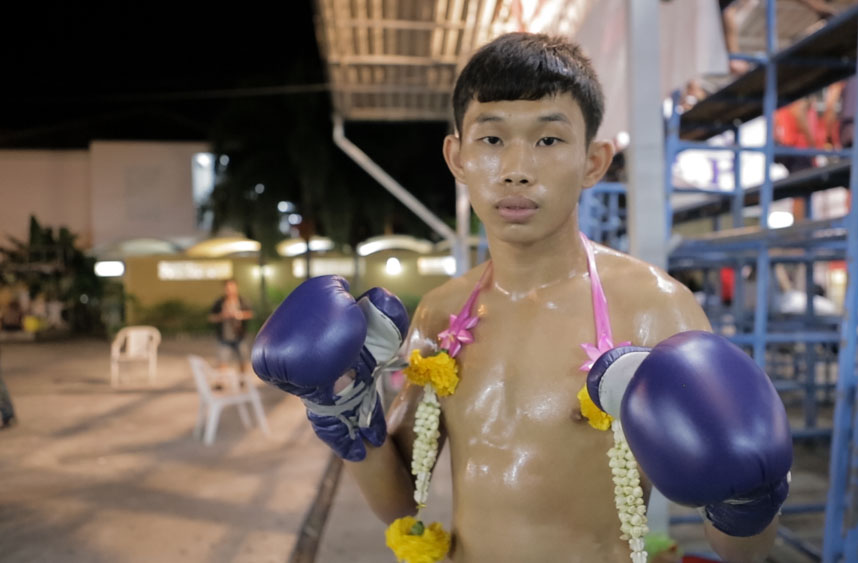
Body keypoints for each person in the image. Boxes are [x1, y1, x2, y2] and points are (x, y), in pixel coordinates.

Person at [253, 33, 790, 562]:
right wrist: (343, 409)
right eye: (491, 140)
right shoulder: (441, 313)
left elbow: (745, 554)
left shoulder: (655, 308)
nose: (516, 168)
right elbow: (400, 504)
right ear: (457, 156)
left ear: (594, 161)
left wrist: (747, 499)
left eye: (549, 140)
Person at [209, 279, 253, 376]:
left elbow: (250, 314)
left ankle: (243, 380)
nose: (229, 290)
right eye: (227, 288)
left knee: (243, 360)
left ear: (236, 288)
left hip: (240, 336)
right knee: (222, 360)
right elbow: (211, 317)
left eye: (231, 288)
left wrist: (239, 315)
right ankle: (222, 381)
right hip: (224, 337)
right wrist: (222, 316)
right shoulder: (219, 302)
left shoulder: (242, 300)